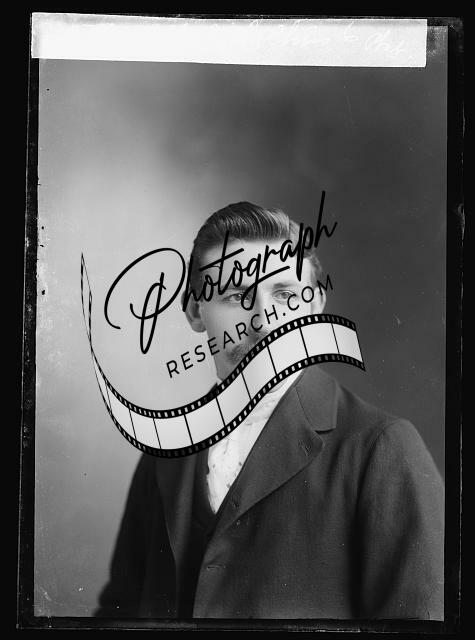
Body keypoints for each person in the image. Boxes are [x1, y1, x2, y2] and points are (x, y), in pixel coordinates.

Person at [94, 202, 444, 620]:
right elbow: (116, 614)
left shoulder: (381, 448)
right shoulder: (166, 448)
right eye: (236, 296)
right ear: (194, 311)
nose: (263, 321)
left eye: (285, 294)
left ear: (314, 305)